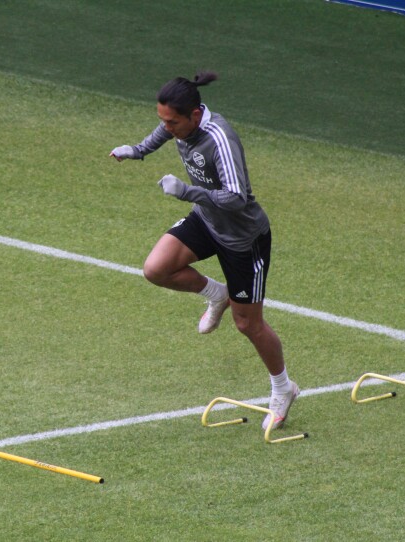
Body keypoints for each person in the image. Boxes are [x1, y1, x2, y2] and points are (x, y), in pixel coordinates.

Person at [110, 71, 298, 430]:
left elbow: (236, 197)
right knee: (157, 268)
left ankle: (283, 388)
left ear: (195, 115)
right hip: (207, 220)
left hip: (243, 238)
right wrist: (137, 151)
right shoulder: (179, 124)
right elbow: (162, 132)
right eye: (162, 119)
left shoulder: (220, 139)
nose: (167, 127)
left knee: (248, 324)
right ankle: (217, 295)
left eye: (173, 121)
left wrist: (186, 192)